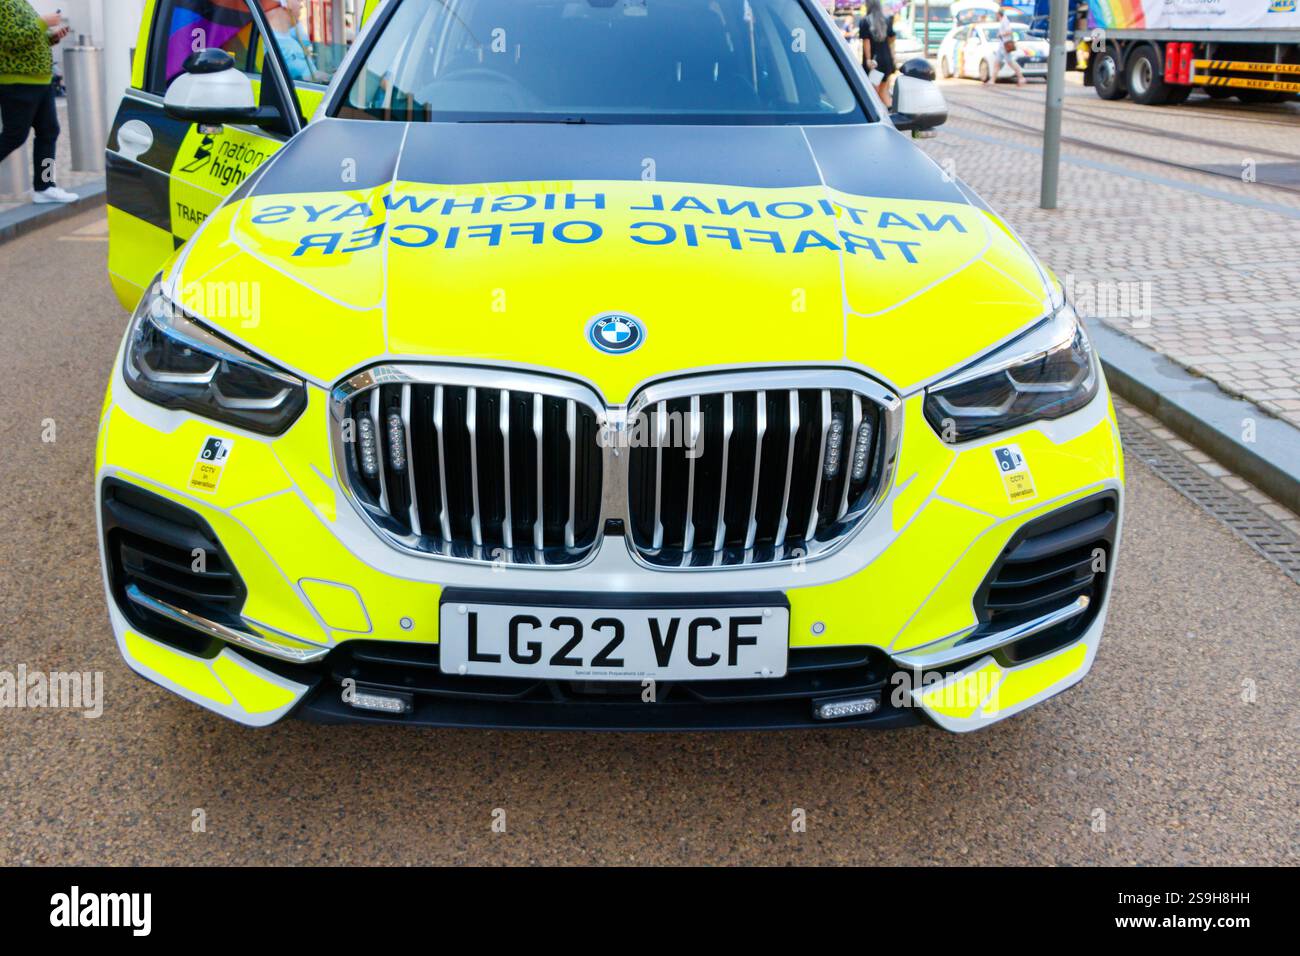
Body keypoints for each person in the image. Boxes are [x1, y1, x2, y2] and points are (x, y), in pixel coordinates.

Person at [0, 0, 76, 203]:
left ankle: (44, 187)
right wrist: (43, 22)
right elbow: (10, 40)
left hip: (41, 81)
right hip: (19, 83)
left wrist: (51, 37)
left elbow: (29, 38)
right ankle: (44, 187)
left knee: (49, 131)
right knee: (14, 136)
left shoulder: (20, 3)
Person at [266, 0, 329, 84]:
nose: (301, 5)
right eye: (298, 1)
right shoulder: (267, 43)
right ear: (285, 3)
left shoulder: (292, 39)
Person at [858, 0, 895, 108]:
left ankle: (877, 116)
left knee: (872, 92)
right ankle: (892, 113)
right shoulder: (887, 20)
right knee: (883, 91)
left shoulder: (865, 21)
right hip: (887, 60)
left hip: (874, 63)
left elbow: (866, 42)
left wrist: (868, 60)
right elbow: (892, 38)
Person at [987, 7, 1026, 87]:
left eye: (997, 14)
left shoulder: (1005, 21)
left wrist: (1000, 34)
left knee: (1010, 62)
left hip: (1005, 46)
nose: (996, 16)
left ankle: (1021, 78)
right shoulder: (1003, 21)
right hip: (1001, 45)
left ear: (999, 14)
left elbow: (1009, 31)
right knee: (997, 62)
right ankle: (992, 80)